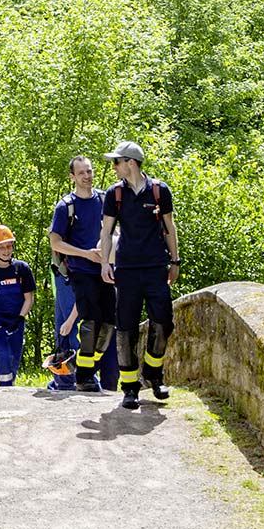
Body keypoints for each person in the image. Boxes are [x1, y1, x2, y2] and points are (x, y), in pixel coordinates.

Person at [99, 140, 180, 412]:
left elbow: (169, 228)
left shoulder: (159, 191)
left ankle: (154, 374)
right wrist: (104, 264)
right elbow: (107, 232)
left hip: (156, 267)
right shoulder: (115, 194)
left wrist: (175, 261)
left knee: (163, 322)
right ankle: (130, 388)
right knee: (126, 329)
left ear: (130, 163)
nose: (113, 167)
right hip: (127, 270)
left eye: (117, 162)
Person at [49, 155, 117, 393]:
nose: (87, 176)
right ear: (72, 177)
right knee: (89, 321)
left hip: (106, 270)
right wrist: (85, 254)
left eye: (89, 171)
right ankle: (84, 377)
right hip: (81, 271)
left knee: (108, 323)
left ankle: (85, 368)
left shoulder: (104, 199)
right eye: (82, 173)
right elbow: (56, 243)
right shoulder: (65, 206)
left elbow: (116, 229)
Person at [0, 225, 35, 387]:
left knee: (14, 357)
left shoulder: (22, 269)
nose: (6, 251)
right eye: (2, 247)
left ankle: (10, 388)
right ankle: (4, 389)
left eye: (9, 246)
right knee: (3, 355)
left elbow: (29, 298)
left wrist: (20, 319)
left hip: (17, 323)